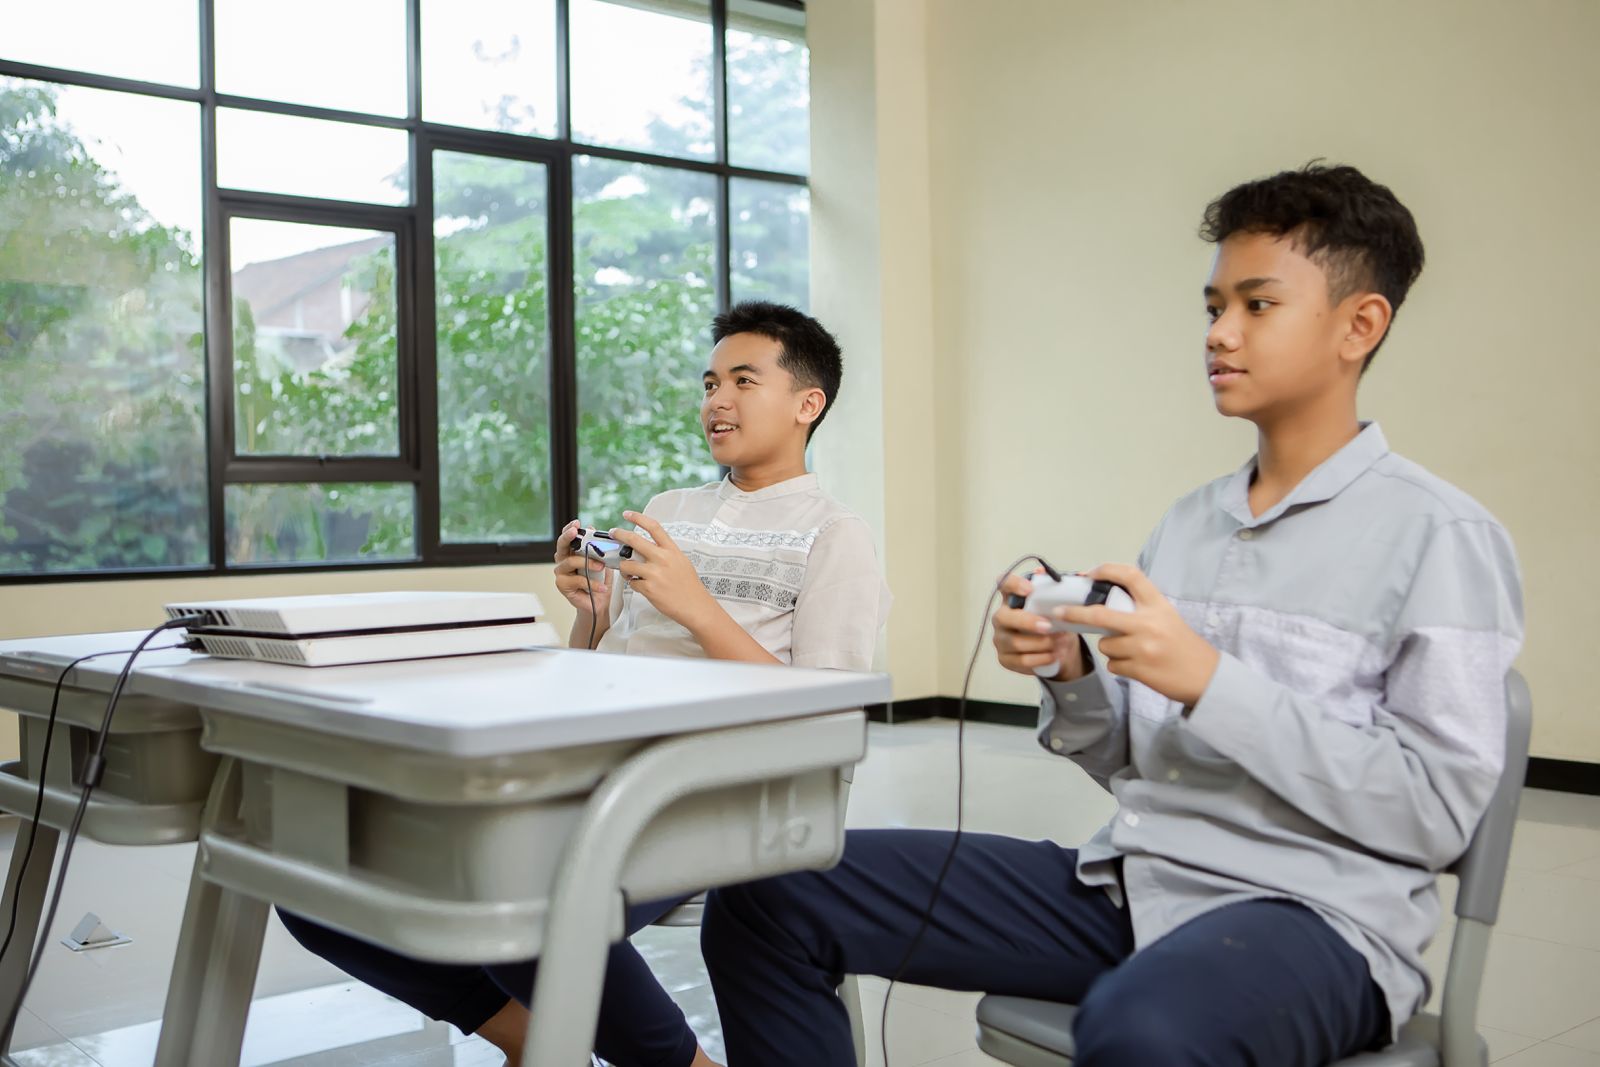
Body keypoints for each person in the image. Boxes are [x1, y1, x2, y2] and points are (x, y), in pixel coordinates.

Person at [699, 163, 1524, 1066]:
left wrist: (1210, 680)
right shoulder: (1191, 522)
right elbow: (1134, 760)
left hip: (1314, 922)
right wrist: (1072, 674)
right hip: (1133, 887)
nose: (1218, 332)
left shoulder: (1442, 537)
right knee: (768, 893)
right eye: (1213, 305)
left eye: (1257, 305)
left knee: (1142, 1029)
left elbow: (1436, 815)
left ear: (1359, 325)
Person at [279, 301, 891, 1066]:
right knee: (316, 881)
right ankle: (537, 1038)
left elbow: (823, 720)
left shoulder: (836, 536)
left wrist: (698, 609)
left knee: (522, 904)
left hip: (718, 790)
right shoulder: (671, 511)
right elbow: (602, 666)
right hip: (595, 759)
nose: (716, 401)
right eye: (708, 382)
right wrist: (595, 614)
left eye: (742, 379)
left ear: (809, 403)